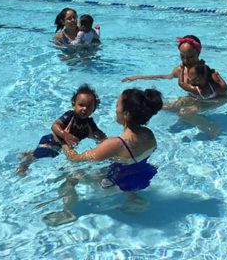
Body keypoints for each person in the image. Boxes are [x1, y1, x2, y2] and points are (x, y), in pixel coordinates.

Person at [41, 88, 163, 226]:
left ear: (126, 114)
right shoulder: (148, 134)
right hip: (139, 177)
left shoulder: (115, 144)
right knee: (126, 166)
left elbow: (74, 158)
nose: (115, 109)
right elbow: (123, 153)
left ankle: (68, 212)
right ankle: (132, 199)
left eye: (117, 105)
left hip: (112, 185)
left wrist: (63, 140)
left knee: (71, 175)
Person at [122, 35, 227, 139]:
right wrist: (138, 77)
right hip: (193, 98)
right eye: (182, 56)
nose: (185, 60)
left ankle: (211, 126)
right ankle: (190, 120)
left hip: (211, 101)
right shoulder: (181, 69)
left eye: (190, 57)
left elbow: (223, 91)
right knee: (162, 106)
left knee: (184, 113)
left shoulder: (204, 72)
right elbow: (166, 77)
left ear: (198, 53)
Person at [16, 84, 106, 176]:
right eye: (81, 105)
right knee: (38, 156)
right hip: (51, 142)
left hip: (62, 147)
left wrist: (107, 143)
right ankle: (23, 165)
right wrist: (64, 134)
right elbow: (55, 125)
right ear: (73, 104)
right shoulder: (70, 115)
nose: (84, 109)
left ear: (94, 109)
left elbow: (100, 136)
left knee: (59, 159)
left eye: (89, 106)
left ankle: (29, 152)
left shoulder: (90, 123)